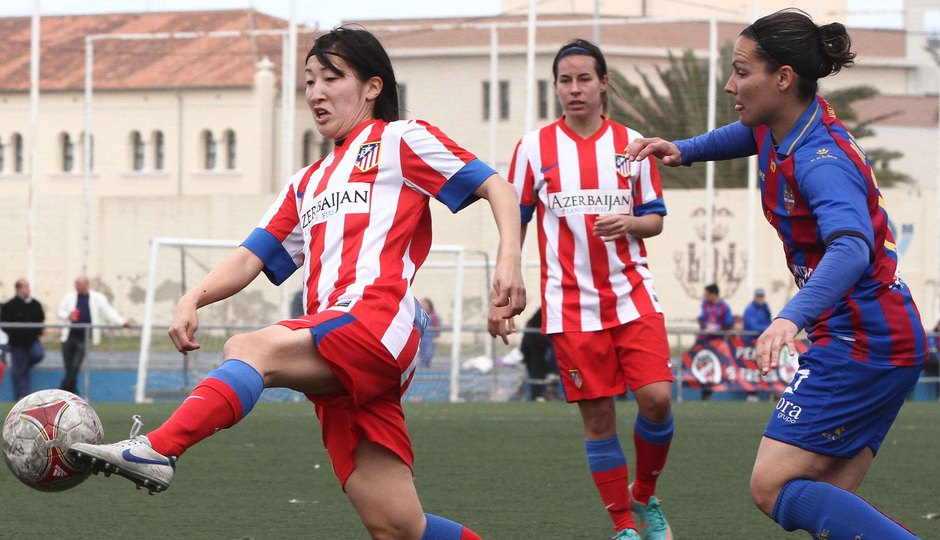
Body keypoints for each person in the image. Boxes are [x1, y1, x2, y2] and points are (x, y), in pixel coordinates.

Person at [71, 26, 525, 540]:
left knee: (249, 347)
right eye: (309, 81)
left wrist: (508, 261)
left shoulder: (401, 139)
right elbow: (249, 258)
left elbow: (497, 186)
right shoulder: (305, 183)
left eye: (332, 78)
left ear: (373, 87)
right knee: (397, 526)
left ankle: (158, 449)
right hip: (337, 337)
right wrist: (192, 296)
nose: (316, 92)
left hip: (378, 319)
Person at [625, 9, 926, 538]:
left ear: (783, 78)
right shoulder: (785, 123)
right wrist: (684, 150)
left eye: (742, 72)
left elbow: (852, 247)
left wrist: (789, 319)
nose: (728, 84)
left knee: (770, 486)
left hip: (863, 340)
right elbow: (745, 137)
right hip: (879, 334)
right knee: (827, 502)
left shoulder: (820, 160)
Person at [491, 39, 674, 540]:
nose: (574, 89)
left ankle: (644, 494)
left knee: (656, 399)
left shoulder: (633, 145)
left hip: (633, 296)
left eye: (584, 79)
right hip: (570, 307)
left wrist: (631, 223)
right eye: (565, 81)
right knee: (599, 421)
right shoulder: (533, 149)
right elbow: (517, 219)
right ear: (556, 87)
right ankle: (623, 527)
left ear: (603, 83)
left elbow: (655, 220)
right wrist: (509, 277)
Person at [56, 275, 130, 395]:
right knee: (68, 367)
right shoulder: (69, 297)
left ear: (86, 284)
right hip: (69, 336)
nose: (77, 286)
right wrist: (68, 315)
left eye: (79, 283)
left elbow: (108, 311)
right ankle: (72, 393)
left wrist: (121, 321)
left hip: (83, 337)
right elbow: (60, 311)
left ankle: (61, 392)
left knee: (75, 366)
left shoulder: (97, 297)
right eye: (76, 283)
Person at [1, 279, 46, 400]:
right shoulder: (10, 305)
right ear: (18, 289)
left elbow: (40, 320)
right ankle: (21, 398)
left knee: (37, 355)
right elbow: (5, 324)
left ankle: (23, 395)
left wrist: (36, 333)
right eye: (25, 286)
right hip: (17, 344)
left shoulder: (35, 304)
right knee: (20, 371)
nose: (28, 289)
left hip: (32, 341)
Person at [518, 308, 558, 401]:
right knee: (536, 367)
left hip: (540, 342)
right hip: (534, 342)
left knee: (544, 367)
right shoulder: (547, 309)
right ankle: (536, 394)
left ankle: (550, 388)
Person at [416, 297, 441, 368]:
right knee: (420, 356)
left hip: (429, 339)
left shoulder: (434, 316)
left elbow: (437, 327)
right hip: (420, 338)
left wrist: (436, 337)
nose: (423, 307)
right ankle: (422, 371)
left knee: (428, 355)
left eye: (425, 305)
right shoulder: (419, 316)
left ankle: (424, 370)